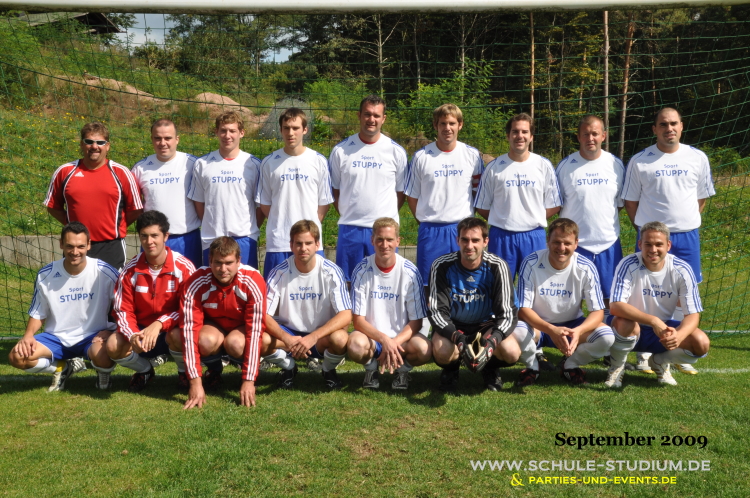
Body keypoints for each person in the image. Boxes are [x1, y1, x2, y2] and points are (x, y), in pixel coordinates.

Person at [621, 107, 715, 375]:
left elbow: (701, 198)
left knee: (684, 294)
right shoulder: (640, 161)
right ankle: (644, 352)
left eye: (673, 123)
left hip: (686, 237)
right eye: (663, 124)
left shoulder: (698, 157)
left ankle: (677, 348)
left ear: (681, 126)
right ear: (655, 129)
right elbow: (630, 201)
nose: (669, 128)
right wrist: (647, 232)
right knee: (645, 290)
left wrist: (684, 223)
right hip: (651, 238)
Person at [8, 222, 118, 391]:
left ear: (89, 245)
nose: (75, 252)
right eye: (70, 246)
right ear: (61, 244)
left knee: (104, 354)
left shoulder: (104, 271)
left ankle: (104, 374)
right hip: (56, 338)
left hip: (92, 336)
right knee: (17, 356)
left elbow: (123, 306)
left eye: (81, 246)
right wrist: (28, 335)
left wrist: (114, 331)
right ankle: (63, 368)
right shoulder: (46, 274)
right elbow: (38, 312)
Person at [604, 222, 710, 388]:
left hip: (662, 332)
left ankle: (659, 362)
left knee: (701, 342)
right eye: (648, 244)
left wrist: (679, 336)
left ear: (668, 245)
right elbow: (616, 306)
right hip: (632, 328)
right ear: (640, 244)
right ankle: (617, 368)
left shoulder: (682, 269)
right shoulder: (628, 264)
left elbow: (693, 314)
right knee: (624, 322)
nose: (653, 249)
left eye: (658, 244)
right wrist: (654, 321)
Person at [513, 218, 614, 386]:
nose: (561, 248)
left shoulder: (586, 267)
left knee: (607, 337)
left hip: (572, 326)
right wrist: (551, 330)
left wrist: (579, 331)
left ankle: (570, 365)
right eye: (557, 242)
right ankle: (533, 366)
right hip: (537, 326)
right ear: (548, 241)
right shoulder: (531, 262)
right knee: (516, 331)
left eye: (567, 243)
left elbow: (598, 312)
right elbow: (523, 309)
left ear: (576, 243)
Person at [168, 237, 266, 409]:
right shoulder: (196, 282)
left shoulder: (253, 281)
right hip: (214, 329)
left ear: (238, 261)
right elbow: (189, 332)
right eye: (218, 263)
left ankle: (279, 364)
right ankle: (214, 370)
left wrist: (249, 380)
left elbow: (255, 331)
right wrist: (195, 383)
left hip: (239, 330)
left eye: (228, 263)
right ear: (210, 261)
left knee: (238, 343)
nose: (223, 269)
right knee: (202, 341)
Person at [108, 211, 196, 392]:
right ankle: (145, 370)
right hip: (140, 333)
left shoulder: (184, 267)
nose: (149, 242)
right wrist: (132, 334)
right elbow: (122, 310)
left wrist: (159, 324)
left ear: (166, 236)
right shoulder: (130, 271)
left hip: (170, 331)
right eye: (144, 236)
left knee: (180, 335)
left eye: (155, 235)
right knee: (113, 345)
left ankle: (182, 372)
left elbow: (189, 310)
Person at [429, 217, 518, 392]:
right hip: (454, 325)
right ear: (457, 240)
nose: (469, 246)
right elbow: (436, 312)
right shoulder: (441, 265)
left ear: (485, 241)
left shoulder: (498, 266)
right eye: (465, 240)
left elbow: (507, 313)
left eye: (475, 240)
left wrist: (492, 342)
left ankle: (490, 368)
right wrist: (458, 338)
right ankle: (451, 370)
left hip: (485, 325)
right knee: (442, 351)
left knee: (511, 352)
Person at [260, 220, 351, 389]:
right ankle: (289, 367)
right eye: (298, 243)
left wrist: (313, 337)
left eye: (308, 243)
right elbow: (263, 314)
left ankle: (328, 370)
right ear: (291, 245)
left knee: (340, 338)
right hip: (290, 337)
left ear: (317, 244)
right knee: (261, 340)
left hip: (320, 337)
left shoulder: (331, 271)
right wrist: (287, 338)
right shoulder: (278, 272)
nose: (303, 248)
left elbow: (346, 314)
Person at [329, 95, 408, 280]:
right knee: (348, 284)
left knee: (383, 283)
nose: (371, 120)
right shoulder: (341, 151)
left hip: (383, 232)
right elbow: (335, 190)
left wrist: (384, 216)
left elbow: (401, 192)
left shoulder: (396, 151)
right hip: (350, 230)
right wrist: (350, 212)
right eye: (367, 114)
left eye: (376, 115)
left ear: (384, 118)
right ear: (359, 115)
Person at [474, 113, 562, 279]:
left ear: (531, 136)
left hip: (533, 236)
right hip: (501, 237)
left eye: (524, 132)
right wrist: (504, 219)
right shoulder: (494, 167)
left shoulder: (543, 165)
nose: (519, 136)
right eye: (515, 132)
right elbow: (482, 206)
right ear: (508, 136)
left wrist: (530, 218)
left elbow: (555, 204)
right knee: (499, 289)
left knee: (534, 290)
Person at [404, 103, 484, 285]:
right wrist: (425, 220)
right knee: (429, 282)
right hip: (431, 230)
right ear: (435, 125)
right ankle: (429, 314)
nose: (447, 128)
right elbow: (412, 196)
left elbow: (477, 192)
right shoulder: (421, 157)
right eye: (442, 124)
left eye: (452, 123)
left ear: (460, 125)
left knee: (465, 282)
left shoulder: (472, 155)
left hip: (462, 229)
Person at [44, 122, 143, 269]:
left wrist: (115, 225)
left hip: (110, 246)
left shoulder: (122, 173)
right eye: (89, 142)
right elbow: (52, 206)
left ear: (107, 146)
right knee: (76, 289)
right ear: (82, 145)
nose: (94, 146)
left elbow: (135, 209)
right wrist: (71, 225)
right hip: (77, 246)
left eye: (100, 142)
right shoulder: (64, 172)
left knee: (110, 291)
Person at [347, 218, 431, 390]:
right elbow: (358, 321)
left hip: (402, 341)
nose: (384, 244)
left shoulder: (410, 272)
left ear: (398, 241)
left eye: (389, 239)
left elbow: (416, 322)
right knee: (355, 344)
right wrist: (384, 340)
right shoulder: (361, 270)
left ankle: (402, 370)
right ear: (372, 240)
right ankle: (371, 369)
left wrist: (393, 343)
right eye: (379, 239)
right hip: (373, 339)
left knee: (424, 349)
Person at [556, 115, 625, 305]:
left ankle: (608, 335)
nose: (590, 138)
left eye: (595, 133)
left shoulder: (615, 165)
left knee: (610, 301)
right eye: (585, 134)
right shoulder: (565, 167)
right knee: (569, 301)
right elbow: (557, 205)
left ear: (603, 135)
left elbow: (618, 204)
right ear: (578, 137)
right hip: (575, 247)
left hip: (607, 244)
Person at [256, 108, 333, 278]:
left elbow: (324, 203)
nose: (291, 133)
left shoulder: (318, 161)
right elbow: (265, 205)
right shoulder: (268, 163)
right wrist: (281, 220)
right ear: (281, 130)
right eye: (286, 128)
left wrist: (307, 229)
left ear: (305, 130)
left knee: (313, 296)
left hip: (310, 244)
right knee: (275, 299)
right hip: (279, 243)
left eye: (296, 128)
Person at [188, 111, 263, 268]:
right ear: (216, 132)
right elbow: (199, 202)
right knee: (213, 289)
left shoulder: (254, 164)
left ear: (241, 133)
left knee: (244, 288)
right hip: (212, 238)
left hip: (244, 238)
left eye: (232, 131)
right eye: (223, 130)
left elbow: (261, 205)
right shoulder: (202, 164)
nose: (227, 135)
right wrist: (212, 223)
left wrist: (248, 227)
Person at [131, 119, 202, 267]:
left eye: (167, 138)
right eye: (157, 138)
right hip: (154, 240)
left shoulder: (194, 164)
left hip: (187, 239)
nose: (162, 143)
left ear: (177, 139)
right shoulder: (140, 169)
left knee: (189, 285)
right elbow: (135, 206)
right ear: (152, 139)